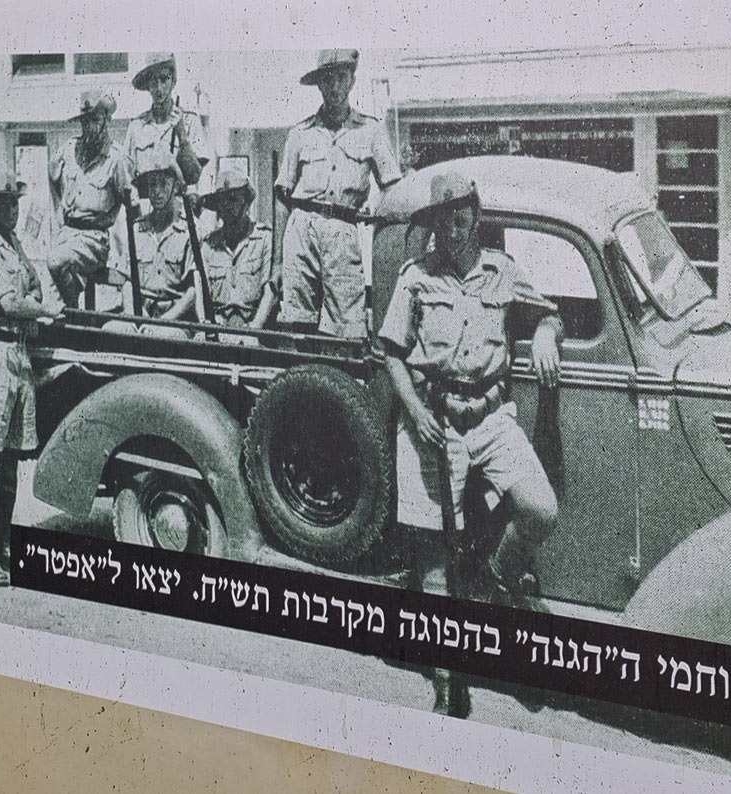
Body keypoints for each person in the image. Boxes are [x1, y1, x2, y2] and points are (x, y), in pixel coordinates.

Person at [378, 170, 563, 715]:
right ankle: (445, 682)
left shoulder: (502, 272)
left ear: (476, 217)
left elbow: (547, 311)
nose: (451, 231)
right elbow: (391, 350)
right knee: (433, 562)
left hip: (491, 418)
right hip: (431, 421)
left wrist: (547, 333)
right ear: (433, 225)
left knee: (541, 509)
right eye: (442, 221)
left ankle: (491, 584)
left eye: (460, 218)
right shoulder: (416, 278)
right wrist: (414, 413)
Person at [0, 173, 58, 586]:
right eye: (6, 202)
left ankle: (3, 543)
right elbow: (7, 305)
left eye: (16, 201)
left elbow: (35, 287)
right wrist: (40, 311)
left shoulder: (17, 247)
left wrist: (34, 305)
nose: (14, 208)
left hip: (18, 356)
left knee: (10, 461)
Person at [274, 48, 402, 338]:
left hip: (343, 231)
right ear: (319, 84)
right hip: (301, 229)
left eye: (340, 78)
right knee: (297, 322)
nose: (333, 86)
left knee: (347, 327)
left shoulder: (371, 131)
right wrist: (278, 262)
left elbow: (393, 189)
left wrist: (377, 213)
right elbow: (283, 198)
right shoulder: (300, 133)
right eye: (327, 79)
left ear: (352, 81)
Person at [48, 90, 131, 308]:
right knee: (51, 308)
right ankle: (72, 318)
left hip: (94, 239)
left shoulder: (116, 158)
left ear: (107, 120)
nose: (89, 127)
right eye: (85, 122)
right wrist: (58, 209)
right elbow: (52, 172)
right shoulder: (69, 149)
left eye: (95, 120)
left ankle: (75, 313)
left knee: (56, 262)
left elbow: (132, 206)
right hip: (66, 235)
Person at [193, 167, 278, 330]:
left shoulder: (264, 240)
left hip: (253, 329)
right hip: (218, 327)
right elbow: (200, 291)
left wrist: (254, 327)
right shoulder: (208, 245)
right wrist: (205, 324)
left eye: (232, 199)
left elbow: (270, 292)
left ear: (246, 202)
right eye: (221, 200)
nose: (226, 206)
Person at [124, 53, 210, 194]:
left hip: (178, 207)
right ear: (147, 85)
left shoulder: (190, 121)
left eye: (164, 80)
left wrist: (182, 134)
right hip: (147, 208)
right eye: (153, 81)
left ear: (173, 81)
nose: (159, 88)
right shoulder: (136, 127)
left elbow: (194, 175)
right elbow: (127, 177)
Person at [126, 157, 196, 323]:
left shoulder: (189, 231)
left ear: (176, 187)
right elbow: (127, 283)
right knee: (112, 330)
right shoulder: (137, 230)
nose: (157, 191)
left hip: (175, 318)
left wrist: (163, 322)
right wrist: (138, 318)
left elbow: (193, 291)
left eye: (163, 183)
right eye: (152, 184)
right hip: (140, 313)